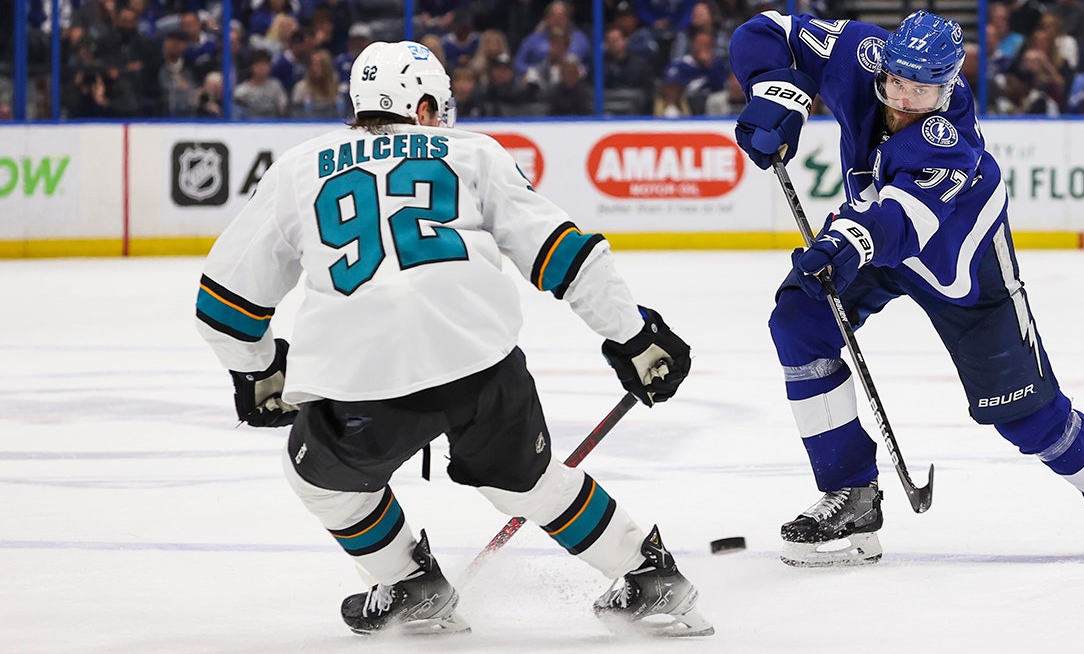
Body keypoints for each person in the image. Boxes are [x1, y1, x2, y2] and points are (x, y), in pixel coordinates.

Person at [195, 40, 711, 638]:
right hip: (481, 360)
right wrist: (633, 335)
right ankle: (650, 575)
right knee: (530, 483)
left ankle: (409, 583)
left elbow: (225, 304)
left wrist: (258, 372)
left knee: (319, 478)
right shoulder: (472, 152)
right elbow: (565, 253)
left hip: (363, 377)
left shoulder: (298, 168)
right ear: (421, 108)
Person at [729, 9, 1084, 567]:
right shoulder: (861, 51)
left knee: (1028, 417)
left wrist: (843, 245)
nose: (904, 101)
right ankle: (850, 490)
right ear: (886, 65)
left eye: (922, 92)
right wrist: (775, 90)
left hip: (963, 266)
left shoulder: (947, 141)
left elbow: (900, 225)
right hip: (872, 232)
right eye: (897, 84)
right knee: (799, 323)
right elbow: (765, 30)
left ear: (948, 86)